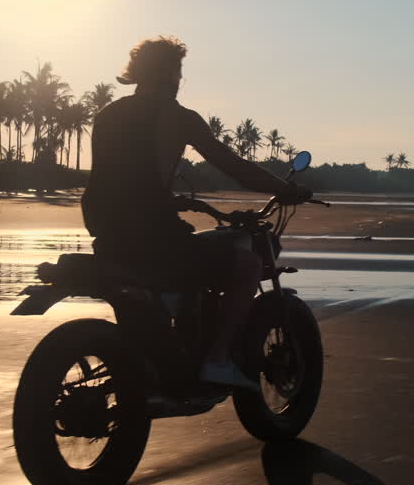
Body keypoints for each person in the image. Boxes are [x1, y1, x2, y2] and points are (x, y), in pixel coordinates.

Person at [82, 36, 309, 391]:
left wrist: (167, 200)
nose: (179, 79)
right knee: (246, 264)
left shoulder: (107, 114)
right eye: (179, 70)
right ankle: (217, 359)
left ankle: (168, 342)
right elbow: (235, 167)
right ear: (172, 72)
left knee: (191, 259)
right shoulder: (179, 117)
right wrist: (286, 189)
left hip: (108, 236)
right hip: (153, 242)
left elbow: (119, 178)